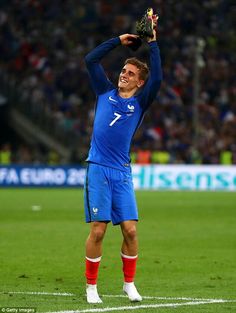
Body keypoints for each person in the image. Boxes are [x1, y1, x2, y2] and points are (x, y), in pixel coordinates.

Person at [84, 18, 162, 304]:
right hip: (98, 169)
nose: (124, 75)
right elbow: (90, 60)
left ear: (140, 82)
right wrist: (118, 40)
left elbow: (159, 80)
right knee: (99, 229)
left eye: (130, 73)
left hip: (122, 172)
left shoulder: (140, 103)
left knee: (130, 229)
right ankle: (91, 287)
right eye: (123, 70)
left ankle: (129, 284)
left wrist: (152, 43)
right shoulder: (104, 92)